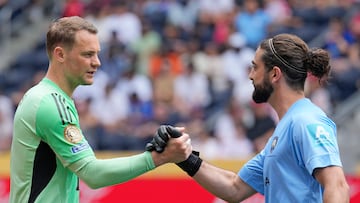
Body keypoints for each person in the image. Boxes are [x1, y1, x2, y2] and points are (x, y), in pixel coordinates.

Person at [9, 16, 192, 202]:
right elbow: (92, 173)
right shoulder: (51, 103)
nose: (97, 62)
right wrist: (158, 158)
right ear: (60, 54)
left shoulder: (44, 97)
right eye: (87, 54)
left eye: (97, 54)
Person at [164, 33, 350, 202]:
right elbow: (234, 188)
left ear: (275, 74)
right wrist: (185, 158)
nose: (250, 76)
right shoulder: (284, 130)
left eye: (255, 67)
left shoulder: (306, 120)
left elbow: (337, 186)